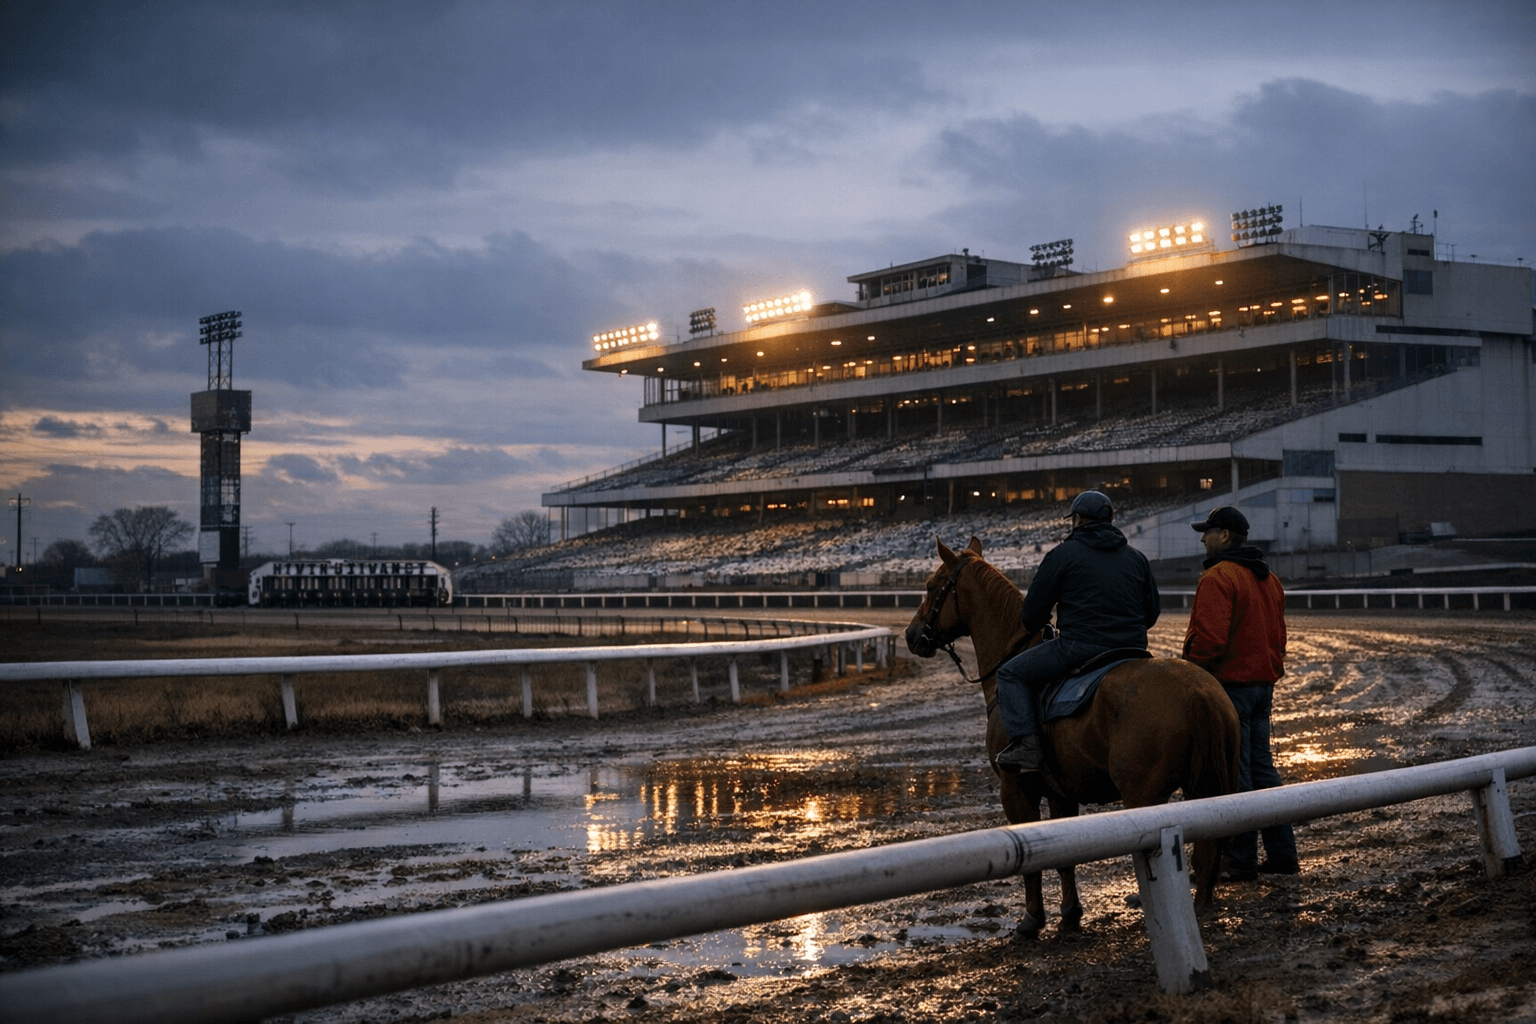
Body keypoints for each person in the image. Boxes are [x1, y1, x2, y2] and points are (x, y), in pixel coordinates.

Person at [993, 490, 1161, 772]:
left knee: (1009, 674)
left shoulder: (1063, 554)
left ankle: (1028, 747)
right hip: (1133, 649)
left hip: (1079, 647)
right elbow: (1152, 613)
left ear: (1078, 519)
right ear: (1110, 521)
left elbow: (1032, 616)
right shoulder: (1137, 558)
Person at [1182, 505, 1299, 879]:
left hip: (1230, 686)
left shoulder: (1219, 577)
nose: (1203, 538)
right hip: (1263, 688)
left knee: (1236, 772)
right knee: (1263, 770)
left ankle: (1241, 859)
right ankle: (1283, 856)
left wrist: (1191, 677)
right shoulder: (1270, 579)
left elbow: (1210, 643)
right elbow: (1279, 639)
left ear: (1225, 536)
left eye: (1208, 532)